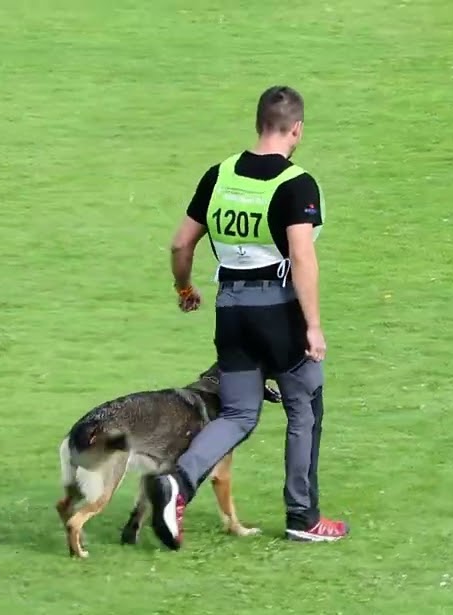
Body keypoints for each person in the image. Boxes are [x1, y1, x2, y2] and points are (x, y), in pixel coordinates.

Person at [143, 85, 349, 550]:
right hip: (278, 311)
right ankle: (303, 516)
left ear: (258, 124)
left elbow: (180, 244)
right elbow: (302, 257)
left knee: (237, 413)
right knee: (304, 407)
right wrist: (313, 325)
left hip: (230, 309)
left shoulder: (219, 175)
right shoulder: (296, 183)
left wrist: (184, 288)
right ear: (297, 129)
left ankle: (178, 482)